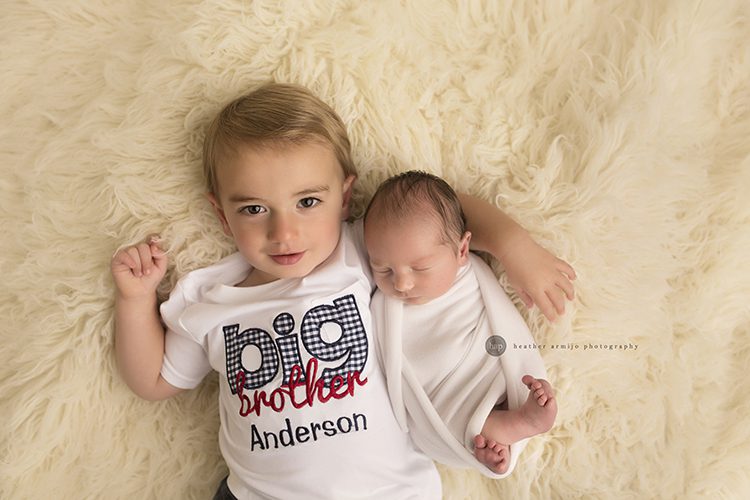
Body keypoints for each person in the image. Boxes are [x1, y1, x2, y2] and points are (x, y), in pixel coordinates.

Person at [110, 83, 575, 499]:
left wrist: (514, 247)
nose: (284, 233)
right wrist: (135, 300)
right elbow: (153, 381)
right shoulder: (211, 300)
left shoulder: (358, 252)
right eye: (254, 209)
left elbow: (440, 212)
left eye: (308, 202)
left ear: (345, 197)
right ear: (221, 215)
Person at [364, 171, 567, 476]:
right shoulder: (383, 302)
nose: (402, 283)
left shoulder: (468, 274)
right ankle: (497, 431)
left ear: (461, 250)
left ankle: (511, 422)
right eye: (383, 269)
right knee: (451, 416)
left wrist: (516, 248)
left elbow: (499, 324)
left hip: (483, 367)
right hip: (439, 395)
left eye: (420, 268)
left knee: (492, 384)